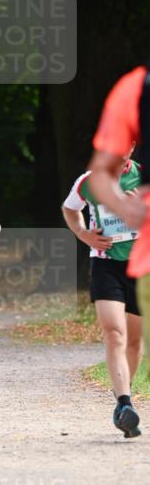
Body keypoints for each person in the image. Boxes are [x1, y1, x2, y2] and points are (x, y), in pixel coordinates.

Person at [62, 150, 143, 437]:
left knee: (133, 342)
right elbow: (70, 209)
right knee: (114, 333)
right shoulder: (89, 181)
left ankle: (124, 396)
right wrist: (84, 234)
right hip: (105, 264)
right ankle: (124, 403)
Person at [87, 66, 150, 382]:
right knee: (122, 335)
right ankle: (124, 399)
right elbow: (99, 174)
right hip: (139, 258)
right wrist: (123, 207)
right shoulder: (137, 88)